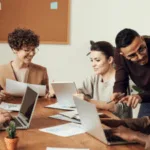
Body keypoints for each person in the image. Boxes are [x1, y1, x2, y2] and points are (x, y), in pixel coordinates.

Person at [78, 41, 131, 118]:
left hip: (118, 125)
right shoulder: (94, 77)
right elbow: (80, 92)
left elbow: (114, 107)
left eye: (97, 60)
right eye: (91, 60)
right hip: (99, 121)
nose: (93, 64)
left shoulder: (120, 80)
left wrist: (88, 101)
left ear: (110, 60)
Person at [0, 28, 50, 101]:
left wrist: (51, 94)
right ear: (14, 49)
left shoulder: (41, 71)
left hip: (35, 111)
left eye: (33, 49)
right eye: (27, 50)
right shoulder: (1, 71)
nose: (32, 53)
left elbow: (46, 98)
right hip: (7, 111)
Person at [111, 28, 150, 117]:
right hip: (148, 95)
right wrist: (118, 91)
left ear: (142, 39)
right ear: (122, 54)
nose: (140, 57)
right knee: (141, 129)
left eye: (141, 49)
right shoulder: (119, 55)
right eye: (132, 55)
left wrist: (141, 97)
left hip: (146, 96)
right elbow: (121, 79)